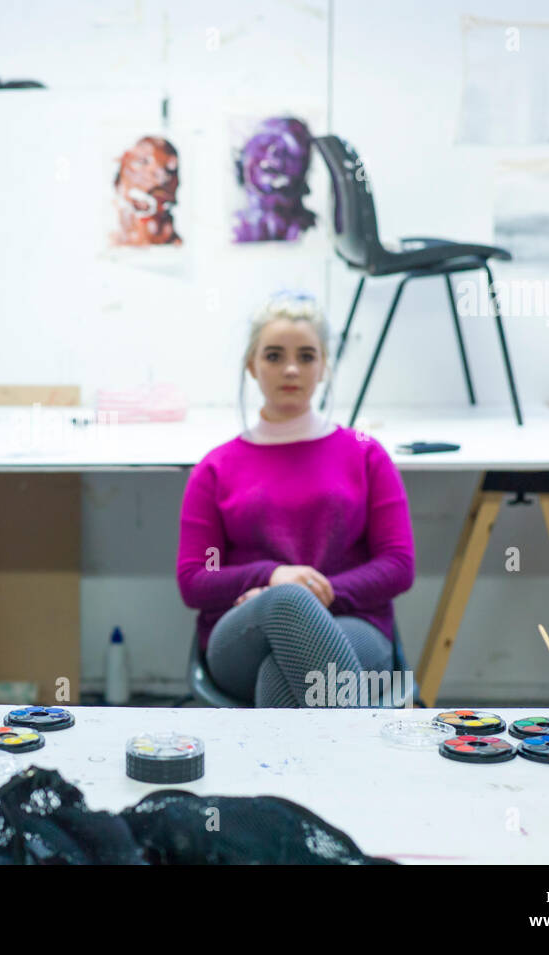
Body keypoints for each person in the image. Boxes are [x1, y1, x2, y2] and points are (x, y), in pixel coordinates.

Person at [176, 291, 415, 707]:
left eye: (306, 356)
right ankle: (354, 763)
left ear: (324, 366)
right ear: (251, 365)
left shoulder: (364, 453)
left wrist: (315, 593)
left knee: (281, 674)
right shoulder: (217, 467)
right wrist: (271, 580)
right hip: (241, 634)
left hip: (355, 626)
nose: (291, 369)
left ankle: (287, 773)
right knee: (285, 602)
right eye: (273, 356)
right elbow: (196, 578)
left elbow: (397, 565)